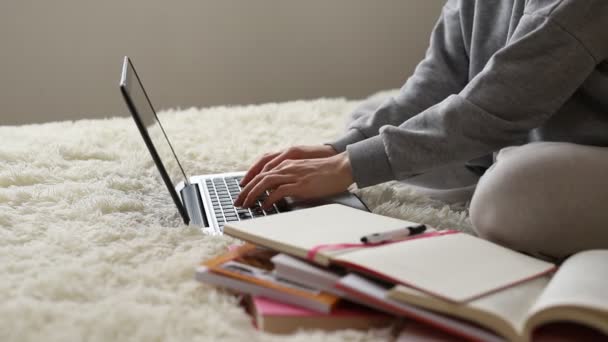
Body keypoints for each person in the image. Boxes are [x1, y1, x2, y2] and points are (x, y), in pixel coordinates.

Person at [234, 0, 608, 262]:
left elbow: (499, 105)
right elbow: (436, 83)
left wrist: (349, 166)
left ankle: (493, 171)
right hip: (526, 138)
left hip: (591, 153)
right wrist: (340, 149)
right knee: (368, 119)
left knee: (504, 194)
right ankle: (491, 166)